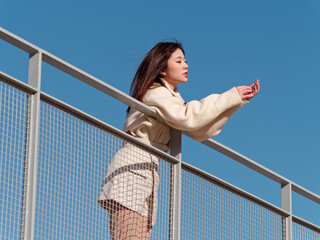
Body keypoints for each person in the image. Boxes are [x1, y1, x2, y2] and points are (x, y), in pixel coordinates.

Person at [98, 41, 260, 239]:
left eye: (185, 60)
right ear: (162, 68)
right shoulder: (155, 91)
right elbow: (187, 117)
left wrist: (235, 101)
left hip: (147, 171)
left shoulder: (170, 98)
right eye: (179, 60)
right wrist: (231, 96)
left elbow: (199, 129)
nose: (186, 65)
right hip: (132, 167)